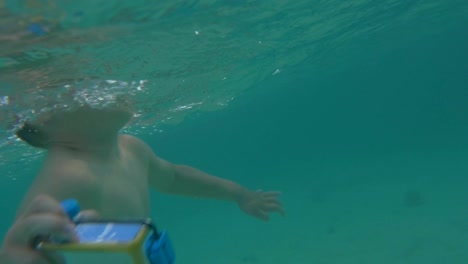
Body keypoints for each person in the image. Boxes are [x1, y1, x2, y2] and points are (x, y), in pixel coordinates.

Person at [0, 104, 285, 263]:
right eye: (84, 80)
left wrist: (238, 194)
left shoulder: (130, 147)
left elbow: (172, 177)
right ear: (44, 116)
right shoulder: (67, 174)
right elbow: (25, 245)